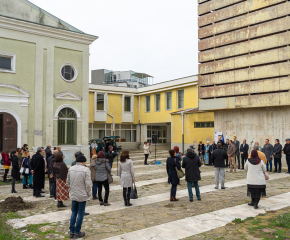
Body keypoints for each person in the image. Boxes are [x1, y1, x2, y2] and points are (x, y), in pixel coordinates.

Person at [67, 154, 91, 239]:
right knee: (80, 212)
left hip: (74, 193)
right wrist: (89, 193)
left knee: (74, 212)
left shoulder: (71, 168)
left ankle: (71, 231)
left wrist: (71, 190)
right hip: (82, 194)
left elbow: (68, 182)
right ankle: (77, 232)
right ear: (83, 162)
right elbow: (88, 184)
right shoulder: (85, 170)